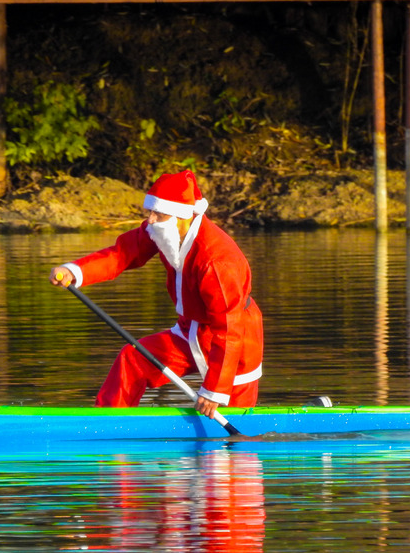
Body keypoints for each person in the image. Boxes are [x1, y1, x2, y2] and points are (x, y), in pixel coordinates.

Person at [50, 170, 263, 419]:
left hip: (235, 341)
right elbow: (123, 253)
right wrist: (74, 271)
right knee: (133, 359)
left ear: (182, 216)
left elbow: (228, 329)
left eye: (157, 214)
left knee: (232, 418)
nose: (150, 220)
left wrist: (214, 390)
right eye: (150, 212)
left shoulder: (218, 261)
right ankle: (108, 420)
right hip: (189, 330)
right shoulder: (164, 229)